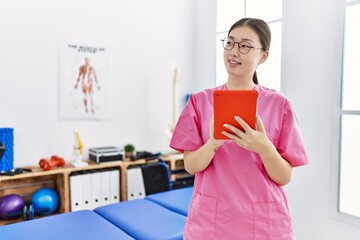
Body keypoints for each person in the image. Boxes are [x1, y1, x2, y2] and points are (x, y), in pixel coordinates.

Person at [170, 18, 309, 239]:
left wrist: (264, 148)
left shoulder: (279, 104)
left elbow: (284, 177)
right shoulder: (199, 102)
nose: (234, 51)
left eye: (245, 45)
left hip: (264, 224)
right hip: (212, 222)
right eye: (230, 43)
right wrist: (213, 142)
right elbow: (191, 165)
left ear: (263, 56)